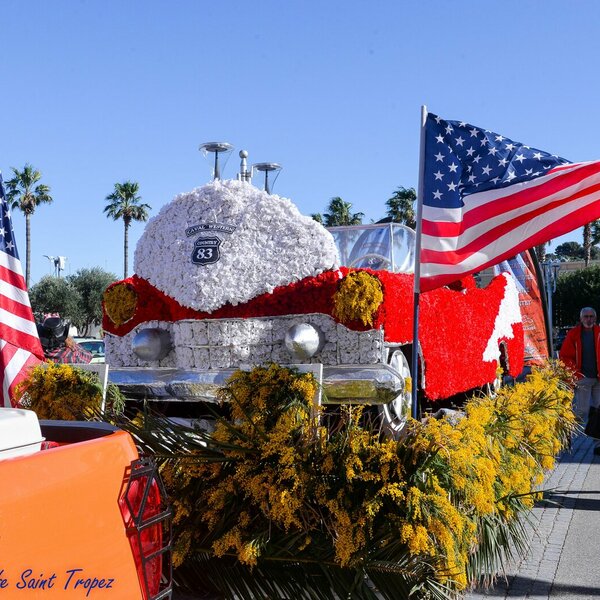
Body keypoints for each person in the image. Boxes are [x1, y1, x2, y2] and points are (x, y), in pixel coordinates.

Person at [559, 307, 600, 454]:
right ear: (581, 319)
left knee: (598, 411)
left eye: (591, 316)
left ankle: (597, 444)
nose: (589, 319)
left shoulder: (599, 333)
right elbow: (564, 355)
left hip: (598, 379)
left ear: (595, 318)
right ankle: (565, 433)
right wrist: (576, 373)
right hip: (583, 379)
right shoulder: (574, 334)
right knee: (582, 411)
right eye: (586, 317)